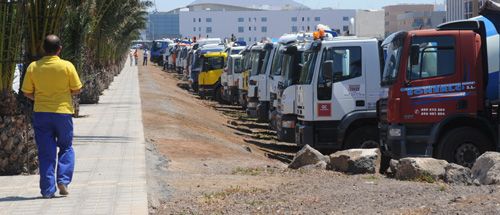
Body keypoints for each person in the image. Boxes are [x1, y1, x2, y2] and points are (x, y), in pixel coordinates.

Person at [21, 35, 82, 199]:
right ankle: (63, 180)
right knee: (66, 147)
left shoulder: (34, 67)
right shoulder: (67, 66)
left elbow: (26, 91)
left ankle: (48, 190)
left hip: (41, 113)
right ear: (59, 49)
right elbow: (77, 88)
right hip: (63, 113)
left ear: (43, 49)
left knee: (46, 152)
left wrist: (39, 98)